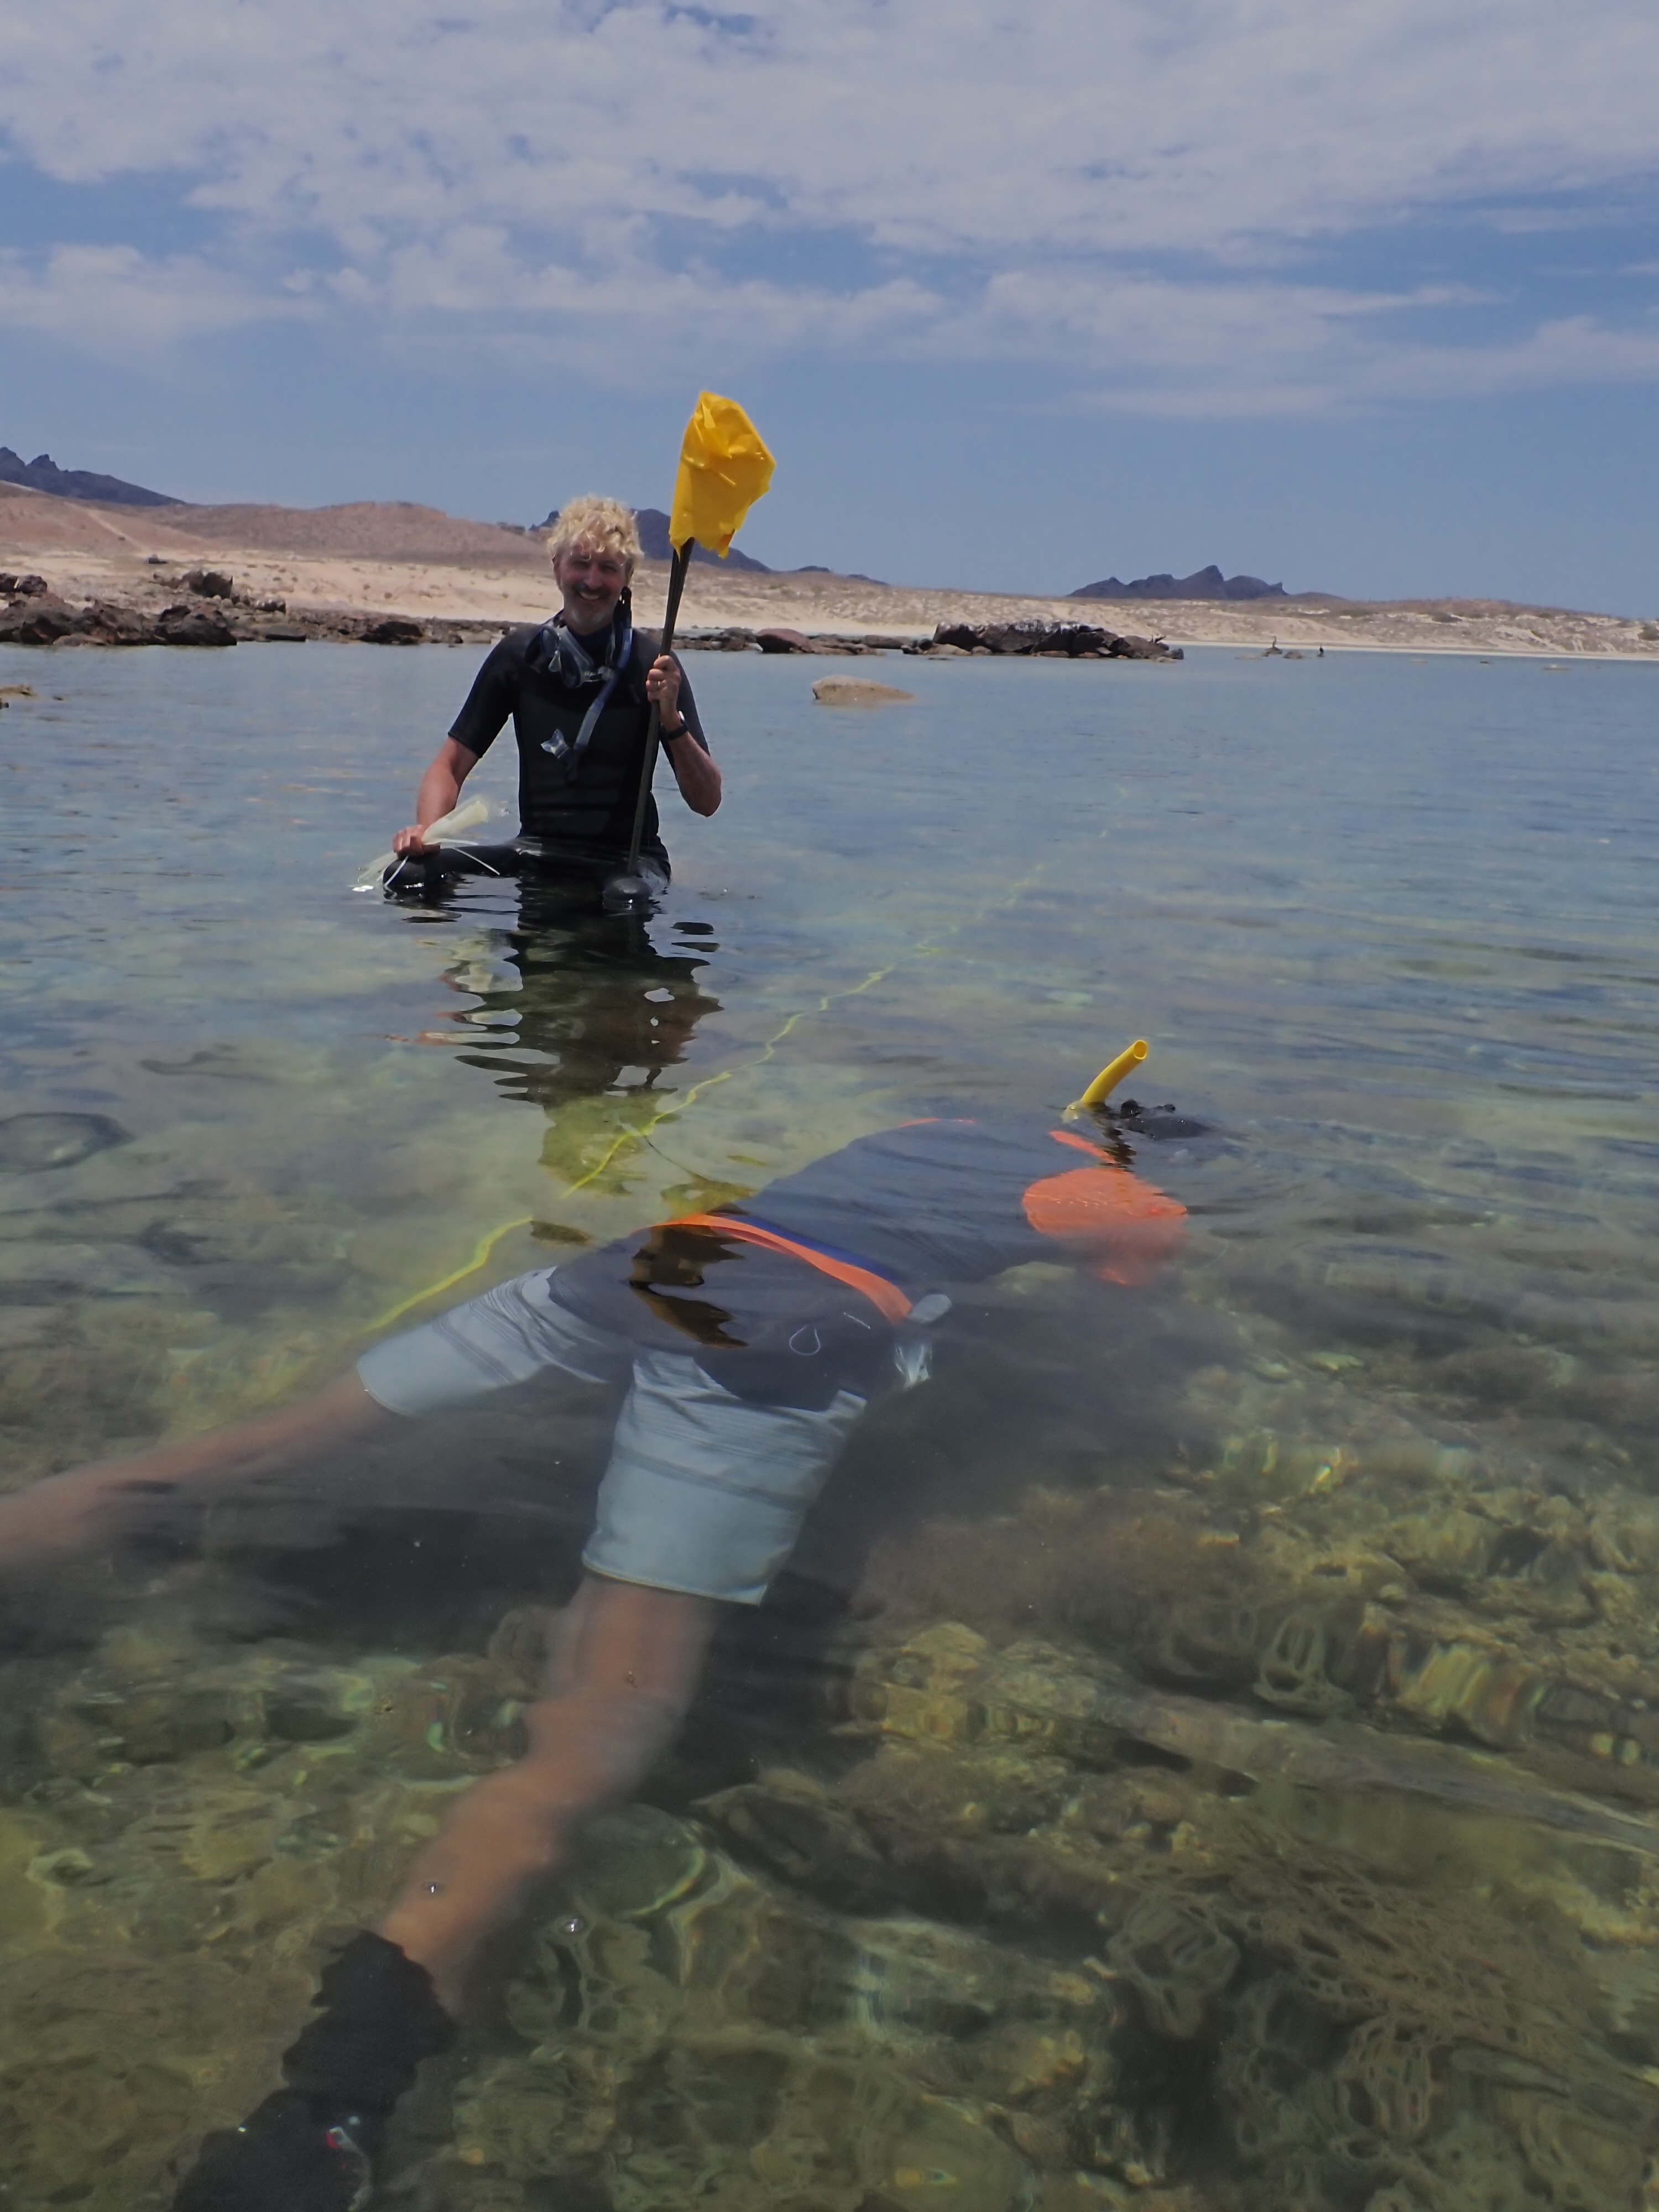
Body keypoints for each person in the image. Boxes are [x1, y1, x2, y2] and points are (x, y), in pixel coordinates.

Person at [0, 1085, 1197, 2210]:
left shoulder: (925, 1119)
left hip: (624, 1273)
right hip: (761, 1353)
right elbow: (1120, 1302)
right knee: (595, 1734)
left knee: (229, 1458)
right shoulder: (1126, 1192)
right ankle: (329, 2108)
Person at [385, 496, 721, 908]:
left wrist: (671, 719)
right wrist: (427, 832)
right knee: (408, 876)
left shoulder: (654, 666)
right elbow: (450, 766)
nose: (592, 581)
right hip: (537, 849)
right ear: (557, 566)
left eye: (608, 568)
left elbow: (707, 802)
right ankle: (446, 971)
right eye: (580, 563)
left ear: (626, 577)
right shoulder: (518, 657)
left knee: (626, 900)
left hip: (627, 861)